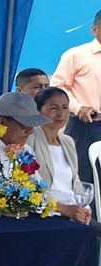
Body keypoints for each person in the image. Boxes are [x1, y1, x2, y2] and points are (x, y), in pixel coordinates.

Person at [28, 87, 92, 224]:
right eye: (53, 108)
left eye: (65, 108)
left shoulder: (67, 142)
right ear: (38, 111)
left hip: (73, 212)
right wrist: (63, 208)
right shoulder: (30, 141)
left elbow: (76, 182)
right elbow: (29, 185)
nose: (60, 114)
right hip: (47, 214)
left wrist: (84, 208)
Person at [51, 9, 101, 183]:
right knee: (84, 179)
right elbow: (58, 86)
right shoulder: (76, 55)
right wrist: (78, 107)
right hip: (86, 125)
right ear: (94, 30)